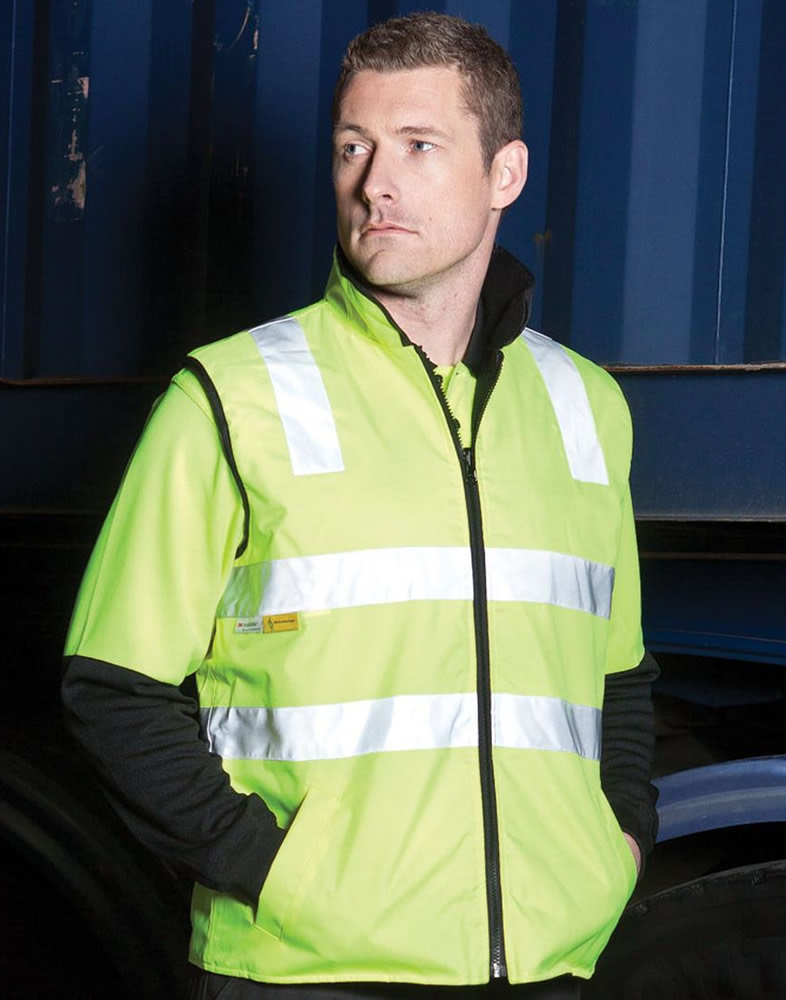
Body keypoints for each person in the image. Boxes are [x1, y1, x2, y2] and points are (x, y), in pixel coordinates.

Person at [62, 12, 658, 1000]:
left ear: (504, 174)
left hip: (543, 965)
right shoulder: (232, 398)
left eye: (418, 146)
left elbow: (619, 676)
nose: (373, 182)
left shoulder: (585, 407)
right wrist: (274, 875)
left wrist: (618, 845)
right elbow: (110, 687)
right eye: (353, 147)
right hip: (306, 969)